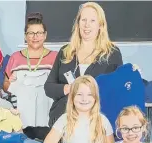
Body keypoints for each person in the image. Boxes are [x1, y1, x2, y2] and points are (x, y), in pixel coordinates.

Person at [2, 12, 59, 143]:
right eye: (31, 33)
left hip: (47, 118)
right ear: (25, 36)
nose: (35, 37)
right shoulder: (15, 59)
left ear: (45, 35)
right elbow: (6, 85)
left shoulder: (54, 58)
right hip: (23, 120)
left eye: (39, 33)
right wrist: (11, 85)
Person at [44, 2, 124, 130]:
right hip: (63, 121)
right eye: (83, 20)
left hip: (96, 123)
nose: (87, 25)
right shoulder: (65, 52)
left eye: (92, 20)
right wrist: (70, 88)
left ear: (100, 25)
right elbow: (48, 87)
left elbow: (118, 91)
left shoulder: (112, 54)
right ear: (78, 23)